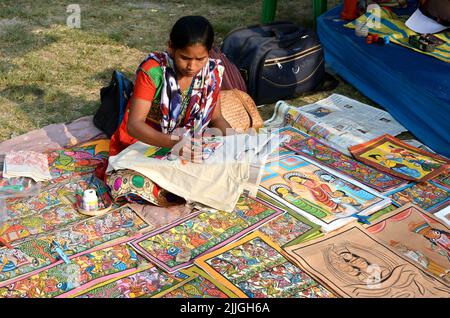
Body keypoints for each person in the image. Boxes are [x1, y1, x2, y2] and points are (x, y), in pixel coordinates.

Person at [106, 16, 232, 205]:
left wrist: (236, 142)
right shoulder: (154, 71)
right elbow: (134, 125)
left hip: (188, 146)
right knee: (127, 184)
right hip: (144, 144)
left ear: (210, 52)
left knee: (226, 172)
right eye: (185, 58)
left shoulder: (211, 74)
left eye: (201, 59)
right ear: (171, 48)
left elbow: (217, 118)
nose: (192, 66)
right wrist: (173, 142)